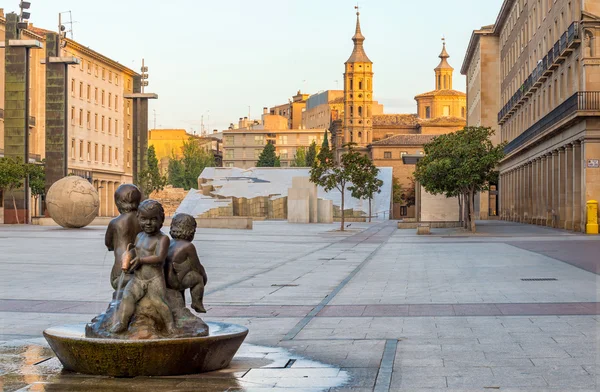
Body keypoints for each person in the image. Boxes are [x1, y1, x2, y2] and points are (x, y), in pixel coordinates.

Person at [110, 199, 175, 334]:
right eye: (144, 219)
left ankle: (170, 325)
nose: (148, 223)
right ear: (138, 218)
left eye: (153, 219)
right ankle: (122, 322)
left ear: (161, 219)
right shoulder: (139, 236)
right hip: (138, 278)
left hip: (154, 279)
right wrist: (129, 255)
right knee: (127, 296)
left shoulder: (162, 239)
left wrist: (141, 260)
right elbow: (136, 250)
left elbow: (159, 258)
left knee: (159, 302)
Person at [166, 213, 208, 313]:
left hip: (168, 278)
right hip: (175, 281)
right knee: (197, 278)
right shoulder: (188, 246)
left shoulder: (170, 242)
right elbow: (196, 266)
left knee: (184, 275)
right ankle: (197, 303)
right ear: (191, 231)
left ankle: (181, 304)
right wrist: (204, 276)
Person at [105, 184, 142, 290]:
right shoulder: (143, 221)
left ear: (118, 202)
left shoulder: (115, 223)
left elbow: (108, 244)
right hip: (140, 269)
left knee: (118, 283)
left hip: (120, 273)